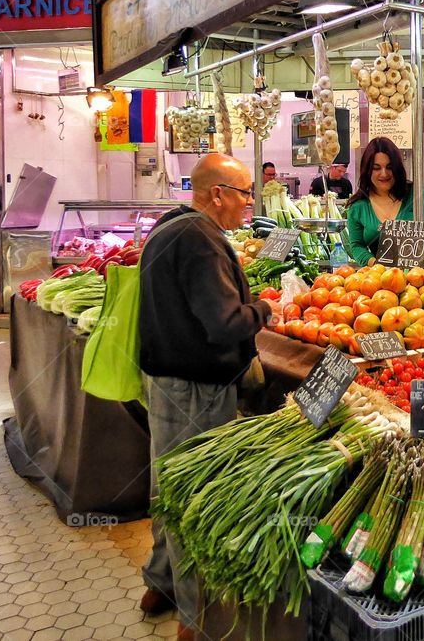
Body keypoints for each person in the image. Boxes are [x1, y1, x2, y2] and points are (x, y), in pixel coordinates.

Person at [138, 153, 275, 640]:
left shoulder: (170, 225)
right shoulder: (201, 241)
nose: (248, 203)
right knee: (194, 498)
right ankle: (194, 621)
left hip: (164, 380)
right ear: (217, 193)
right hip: (194, 389)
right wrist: (265, 308)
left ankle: (159, 583)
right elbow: (224, 325)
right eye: (244, 193)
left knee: (170, 487)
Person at [346, 137, 424, 266]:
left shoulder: (416, 195)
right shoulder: (358, 207)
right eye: (376, 168)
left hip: (421, 276)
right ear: (367, 170)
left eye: (389, 167)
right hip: (380, 280)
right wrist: (377, 265)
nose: (384, 174)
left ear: (397, 168)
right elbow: (356, 246)